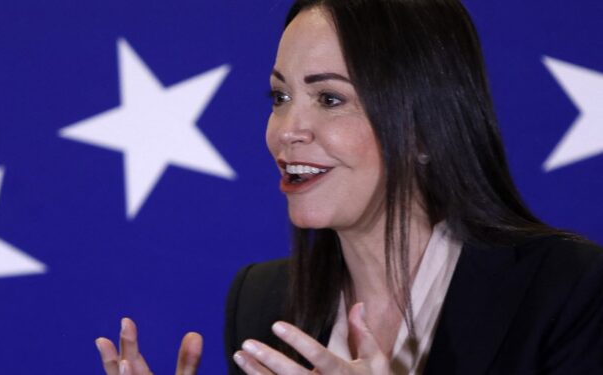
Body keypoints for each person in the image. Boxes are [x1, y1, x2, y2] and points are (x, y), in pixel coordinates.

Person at [95, 0, 603, 374]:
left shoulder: (567, 288)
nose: (286, 129)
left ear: (425, 129)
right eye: (279, 96)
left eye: (330, 99)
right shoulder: (262, 301)